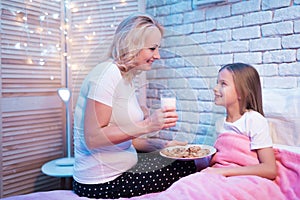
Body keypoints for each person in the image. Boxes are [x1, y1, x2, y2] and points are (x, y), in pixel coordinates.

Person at [72, 12, 196, 199]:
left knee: (181, 160)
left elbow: (125, 138)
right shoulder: (107, 74)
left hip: (123, 167)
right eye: (152, 48)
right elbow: (93, 138)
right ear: (133, 45)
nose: (158, 55)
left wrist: (163, 145)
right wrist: (148, 125)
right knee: (184, 168)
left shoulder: (127, 77)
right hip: (102, 182)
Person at [201, 63, 277, 180]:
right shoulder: (219, 124)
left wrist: (223, 171)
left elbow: (270, 169)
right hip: (218, 176)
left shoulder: (253, 120)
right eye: (217, 83)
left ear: (242, 93)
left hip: (242, 179)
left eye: (223, 84)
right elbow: (216, 159)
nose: (215, 88)